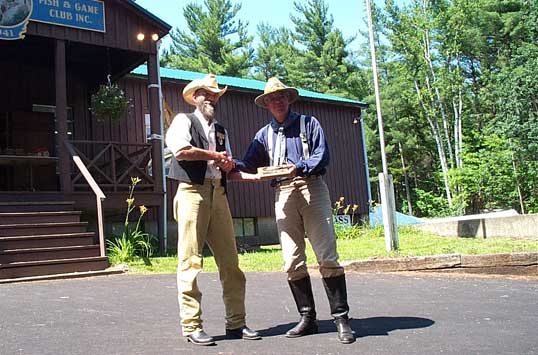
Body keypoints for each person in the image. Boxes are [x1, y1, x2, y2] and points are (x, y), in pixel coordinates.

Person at [233, 77, 355, 344]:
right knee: (291, 260)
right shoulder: (262, 135)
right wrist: (227, 162)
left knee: (327, 255)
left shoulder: (309, 123)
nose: (276, 101)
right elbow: (249, 163)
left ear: (288, 99)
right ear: (265, 104)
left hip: (312, 187)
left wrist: (298, 167)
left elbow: (321, 155)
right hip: (283, 193)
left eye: (280, 96)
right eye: (271, 98)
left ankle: (341, 318)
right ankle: (308, 317)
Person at [165, 74, 261, 346]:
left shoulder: (221, 130)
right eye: (206, 93)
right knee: (190, 260)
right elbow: (181, 151)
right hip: (191, 193)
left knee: (231, 262)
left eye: (215, 94)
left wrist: (229, 165)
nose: (211, 98)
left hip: (218, 192)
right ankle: (192, 325)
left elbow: (226, 165)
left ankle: (237, 322)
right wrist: (215, 156)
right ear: (195, 96)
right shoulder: (183, 120)